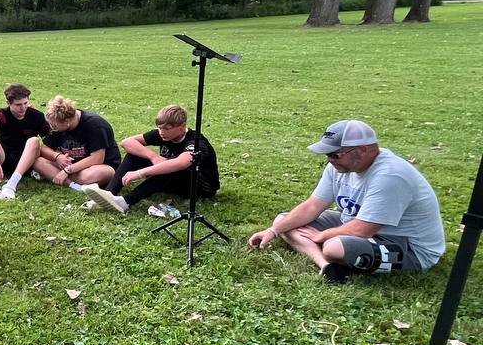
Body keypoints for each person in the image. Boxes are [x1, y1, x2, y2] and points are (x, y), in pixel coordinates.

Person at [248, 120, 446, 283]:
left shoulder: (391, 175)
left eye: (335, 154)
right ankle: (326, 265)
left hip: (407, 246)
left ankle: (328, 253)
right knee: (283, 220)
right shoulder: (337, 167)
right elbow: (313, 206)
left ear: (363, 149)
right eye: (327, 154)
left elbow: (363, 230)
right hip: (355, 226)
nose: (330, 160)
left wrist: (321, 236)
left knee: (335, 247)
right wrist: (273, 231)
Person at [84, 104, 219, 214]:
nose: (161, 132)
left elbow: (181, 163)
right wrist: (153, 157)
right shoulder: (163, 134)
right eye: (159, 128)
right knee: (135, 154)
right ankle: (109, 193)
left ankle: (125, 202)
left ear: (182, 127)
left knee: (170, 167)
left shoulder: (196, 142)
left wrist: (139, 173)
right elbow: (127, 142)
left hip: (199, 187)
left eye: (167, 128)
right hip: (172, 181)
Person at [0, 83, 49, 201]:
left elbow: (49, 141)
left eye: (25, 103)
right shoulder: (2, 114)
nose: (23, 108)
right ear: (8, 103)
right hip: (4, 160)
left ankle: (11, 186)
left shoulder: (36, 116)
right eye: (18, 105)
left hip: (28, 162)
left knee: (34, 140)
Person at [33, 96, 120, 190]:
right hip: (71, 164)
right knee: (38, 162)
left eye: (54, 125)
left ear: (67, 122)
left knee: (92, 175)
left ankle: (59, 176)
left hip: (99, 166)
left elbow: (97, 158)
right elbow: (44, 148)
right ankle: (75, 186)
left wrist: (67, 171)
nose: (52, 127)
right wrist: (57, 157)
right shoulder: (57, 122)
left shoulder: (95, 125)